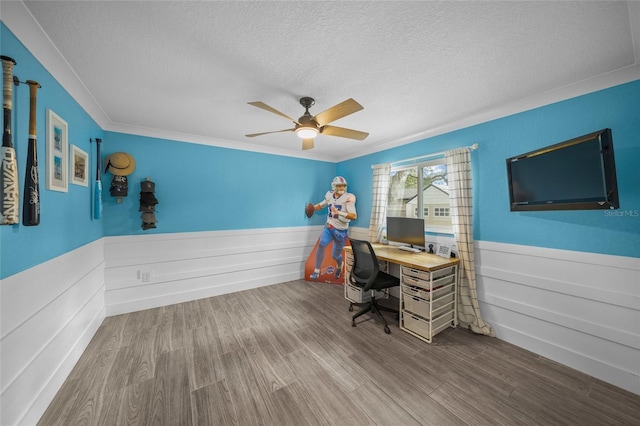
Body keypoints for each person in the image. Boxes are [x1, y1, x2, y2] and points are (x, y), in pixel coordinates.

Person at [310, 176, 357, 280]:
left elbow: (353, 216)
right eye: (339, 186)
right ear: (334, 186)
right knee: (322, 244)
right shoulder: (330, 195)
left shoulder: (348, 198)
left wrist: (339, 212)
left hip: (341, 231)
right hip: (329, 226)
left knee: (335, 255)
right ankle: (316, 271)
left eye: (343, 186)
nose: (342, 188)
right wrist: (312, 207)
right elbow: (321, 205)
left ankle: (340, 265)